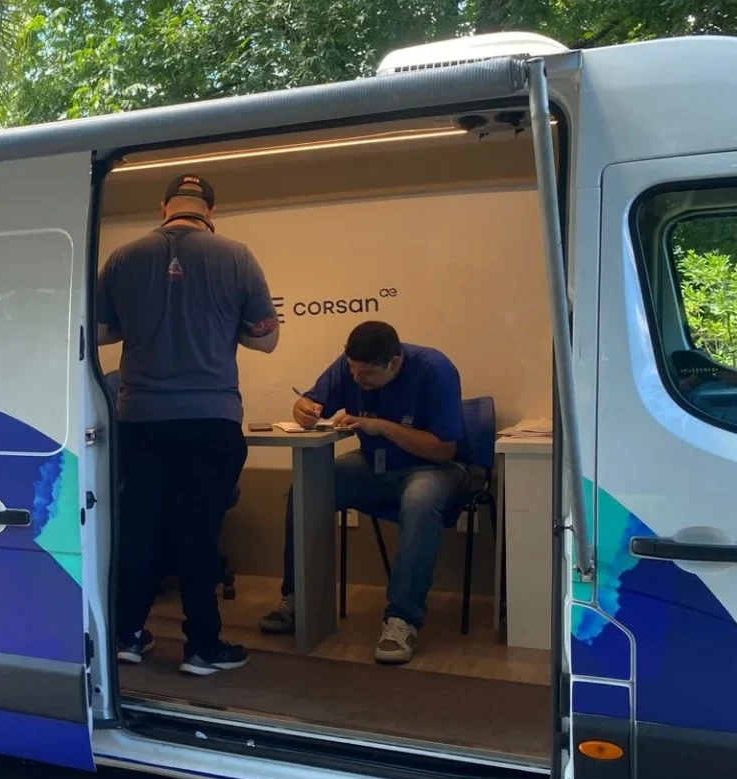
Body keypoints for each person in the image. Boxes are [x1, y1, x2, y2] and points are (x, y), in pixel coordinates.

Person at [98, 173, 279, 677]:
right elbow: (266, 339)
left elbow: (101, 330)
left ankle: (127, 636)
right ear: (210, 212)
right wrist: (225, 326)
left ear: (163, 208)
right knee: (199, 531)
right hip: (210, 418)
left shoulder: (123, 257)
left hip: (140, 418)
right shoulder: (236, 257)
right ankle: (202, 646)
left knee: (138, 526)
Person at [258, 321, 470, 665]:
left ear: (395, 363)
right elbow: (309, 401)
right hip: (374, 464)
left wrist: (382, 426)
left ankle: (402, 619)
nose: (358, 379)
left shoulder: (435, 369)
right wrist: (304, 410)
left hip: (434, 467)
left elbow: (444, 449)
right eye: (353, 370)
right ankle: (298, 599)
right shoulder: (350, 367)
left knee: (419, 500)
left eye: (368, 373)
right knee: (309, 484)